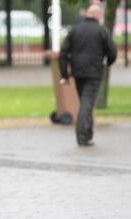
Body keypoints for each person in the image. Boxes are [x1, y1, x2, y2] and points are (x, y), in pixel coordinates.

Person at [59, 5, 117, 146]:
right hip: (94, 72)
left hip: (78, 72)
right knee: (87, 103)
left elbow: (63, 52)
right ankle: (82, 135)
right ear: (98, 15)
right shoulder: (102, 31)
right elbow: (113, 52)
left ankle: (87, 134)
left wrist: (65, 74)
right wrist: (107, 63)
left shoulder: (75, 29)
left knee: (85, 102)